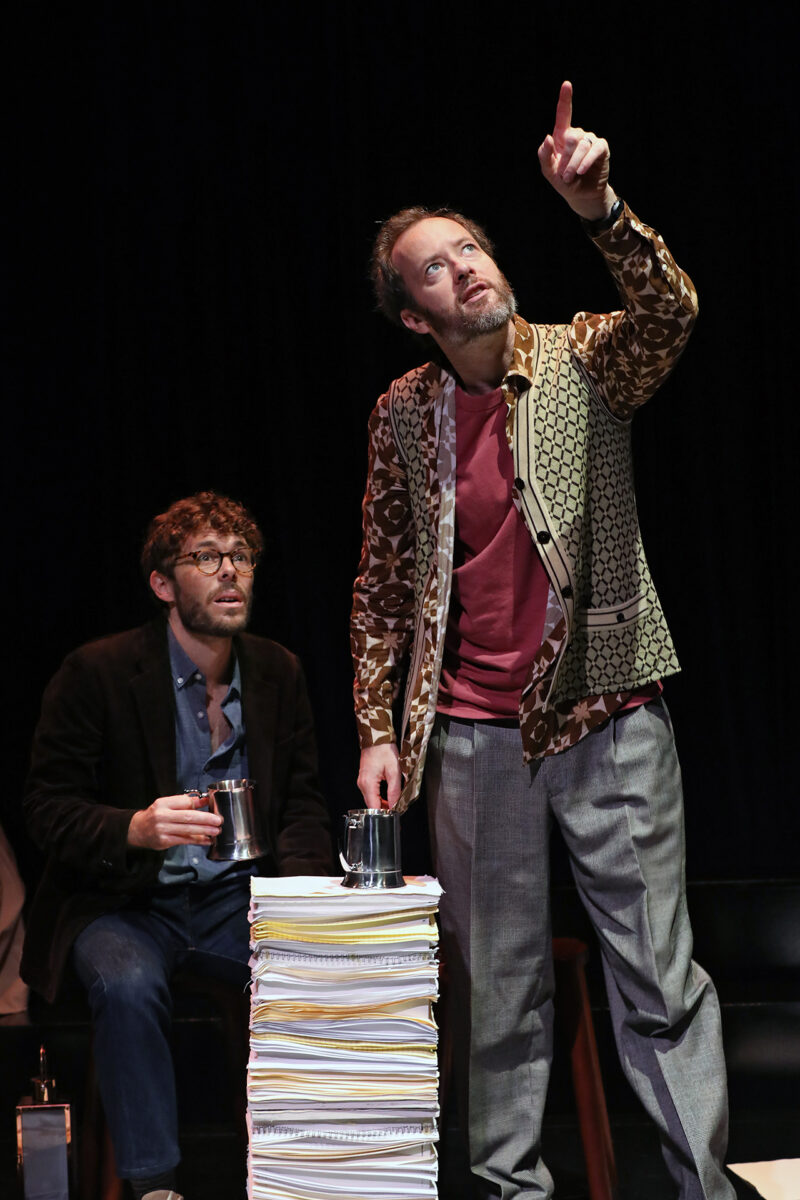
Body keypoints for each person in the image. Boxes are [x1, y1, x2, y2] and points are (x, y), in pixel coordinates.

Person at [351, 82, 738, 1199]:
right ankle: (509, 1190)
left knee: (656, 981)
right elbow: (383, 583)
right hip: (472, 738)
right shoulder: (403, 411)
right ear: (414, 314)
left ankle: (702, 1188)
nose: (465, 268)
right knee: (496, 994)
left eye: (470, 248)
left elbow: (671, 314)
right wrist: (378, 727)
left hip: (607, 715)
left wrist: (598, 209)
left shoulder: (580, 358)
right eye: (435, 267)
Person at [23, 490, 333, 1200]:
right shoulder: (98, 672)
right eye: (207, 557)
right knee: (127, 984)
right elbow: (46, 809)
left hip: (236, 901)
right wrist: (134, 827)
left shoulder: (277, 670)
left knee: (307, 970)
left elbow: (303, 806)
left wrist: (304, 906)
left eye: (241, 557)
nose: (230, 572)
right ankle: (156, 1187)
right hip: (125, 903)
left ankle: (302, 1173)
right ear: (163, 584)